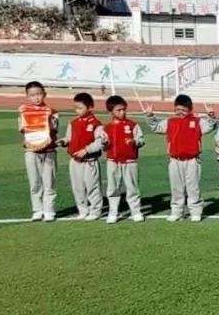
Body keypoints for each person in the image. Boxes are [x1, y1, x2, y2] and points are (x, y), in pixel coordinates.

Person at [144, 94, 218, 222]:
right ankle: (177, 211)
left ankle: (195, 211)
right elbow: (156, 127)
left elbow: (210, 127)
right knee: (176, 187)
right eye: (177, 109)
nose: (180, 112)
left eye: (184, 110)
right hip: (175, 160)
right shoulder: (170, 121)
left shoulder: (197, 121)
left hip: (192, 160)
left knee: (193, 187)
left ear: (190, 109)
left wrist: (211, 116)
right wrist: (150, 116)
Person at [59, 92, 104, 220]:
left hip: (90, 161)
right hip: (75, 161)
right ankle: (83, 210)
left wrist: (86, 150)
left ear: (90, 107)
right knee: (78, 187)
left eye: (80, 107)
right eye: (76, 107)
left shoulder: (96, 124)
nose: (77, 110)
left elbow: (100, 142)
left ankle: (95, 211)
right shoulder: (73, 123)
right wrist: (63, 141)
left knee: (92, 186)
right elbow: (69, 138)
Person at [18, 81, 59, 222]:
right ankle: (37, 210)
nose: (36, 97)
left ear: (44, 94)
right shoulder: (24, 111)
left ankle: (49, 210)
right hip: (31, 151)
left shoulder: (52, 111)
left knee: (49, 182)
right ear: (27, 96)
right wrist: (23, 117)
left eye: (39, 94)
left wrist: (47, 120)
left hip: (48, 151)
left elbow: (54, 129)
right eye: (32, 95)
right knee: (34, 182)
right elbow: (22, 129)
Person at [102, 95, 144, 224]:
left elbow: (141, 140)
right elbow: (103, 145)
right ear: (111, 112)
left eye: (124, 109)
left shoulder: (133, 125)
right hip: (112, 162)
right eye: (118, 110)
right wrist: (104, 143)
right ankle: (113, 212)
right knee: (113, 188)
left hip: (130, 161)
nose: (122, 112)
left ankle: (136, 212)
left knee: (132, 188)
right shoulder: (107, 127)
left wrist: (134, 141)